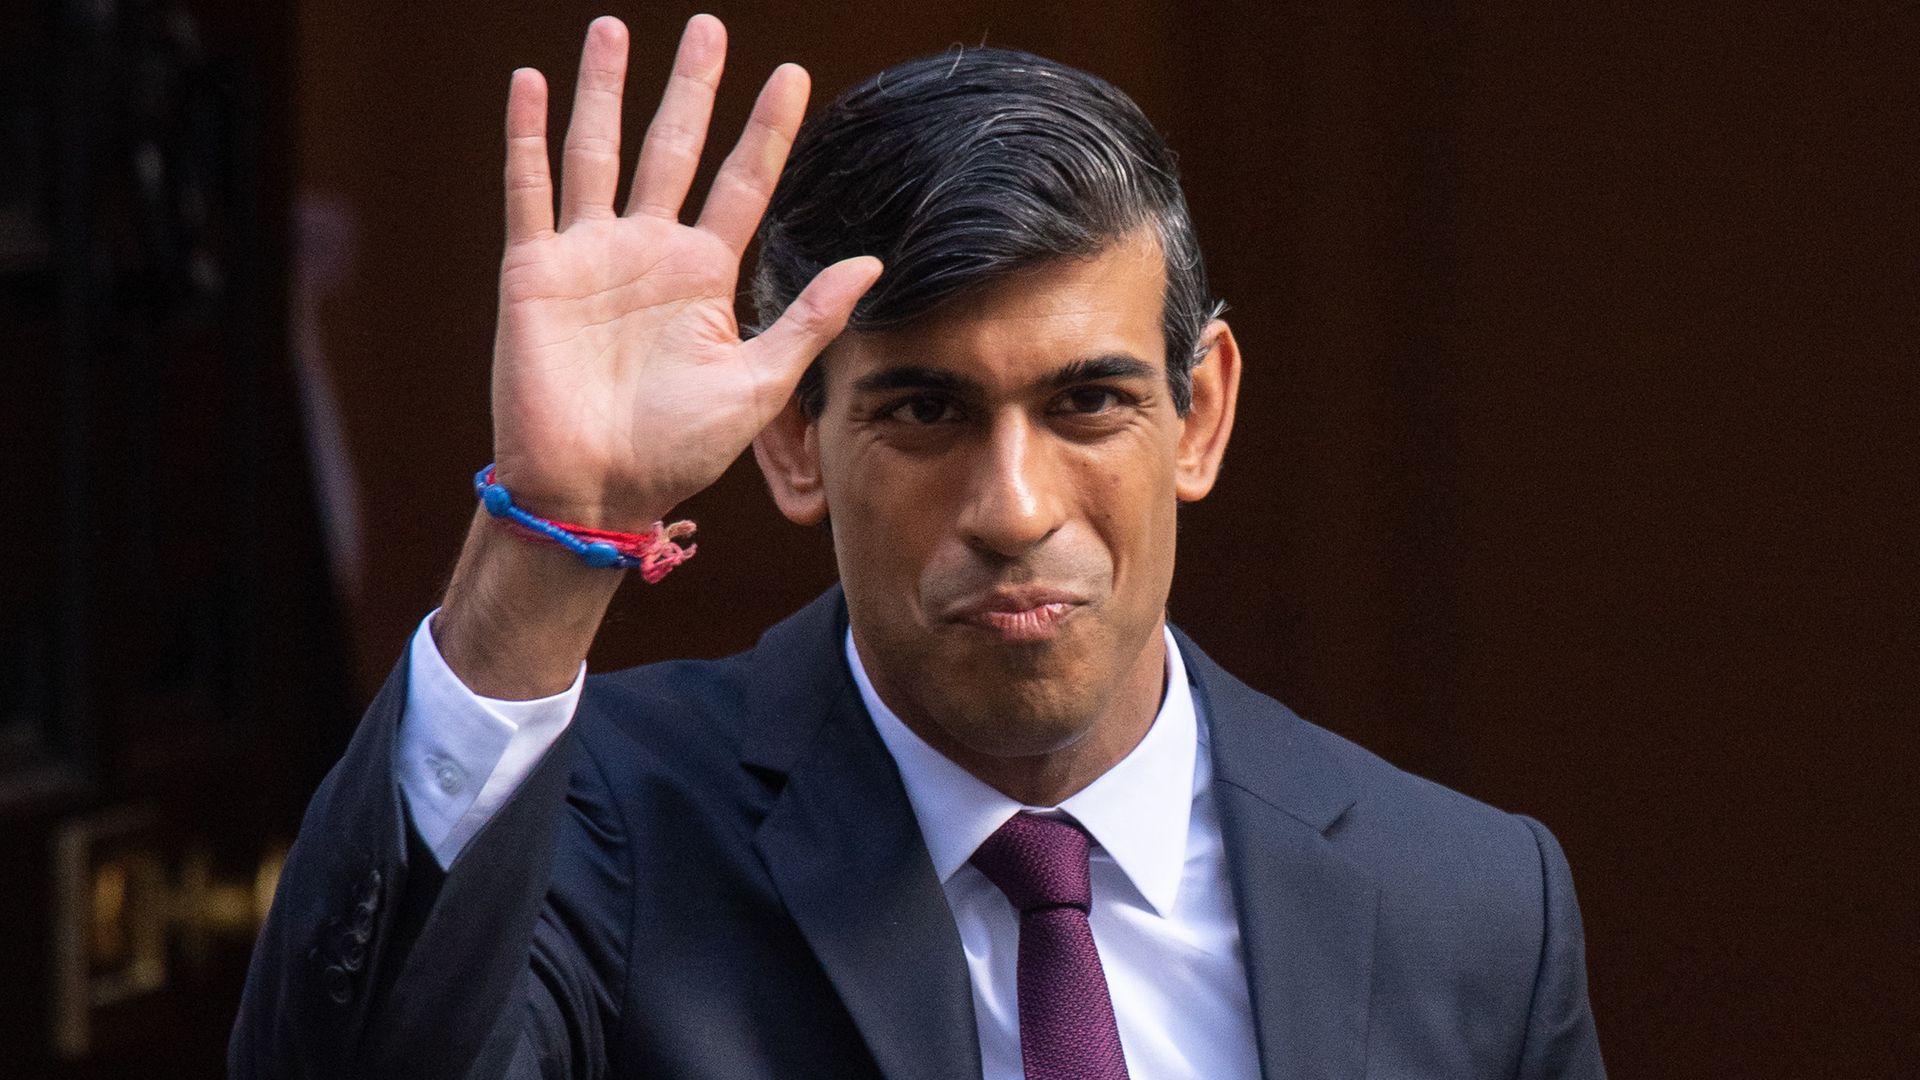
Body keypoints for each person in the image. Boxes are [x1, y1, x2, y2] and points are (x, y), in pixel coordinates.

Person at [231, 13, 1604, 1079]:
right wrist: (555, 533)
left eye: (1089, 402)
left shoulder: (1472, 905)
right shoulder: (606, 831)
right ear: (790, 441)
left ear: (1200, 414)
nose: (1012, 507)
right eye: (924, 411)